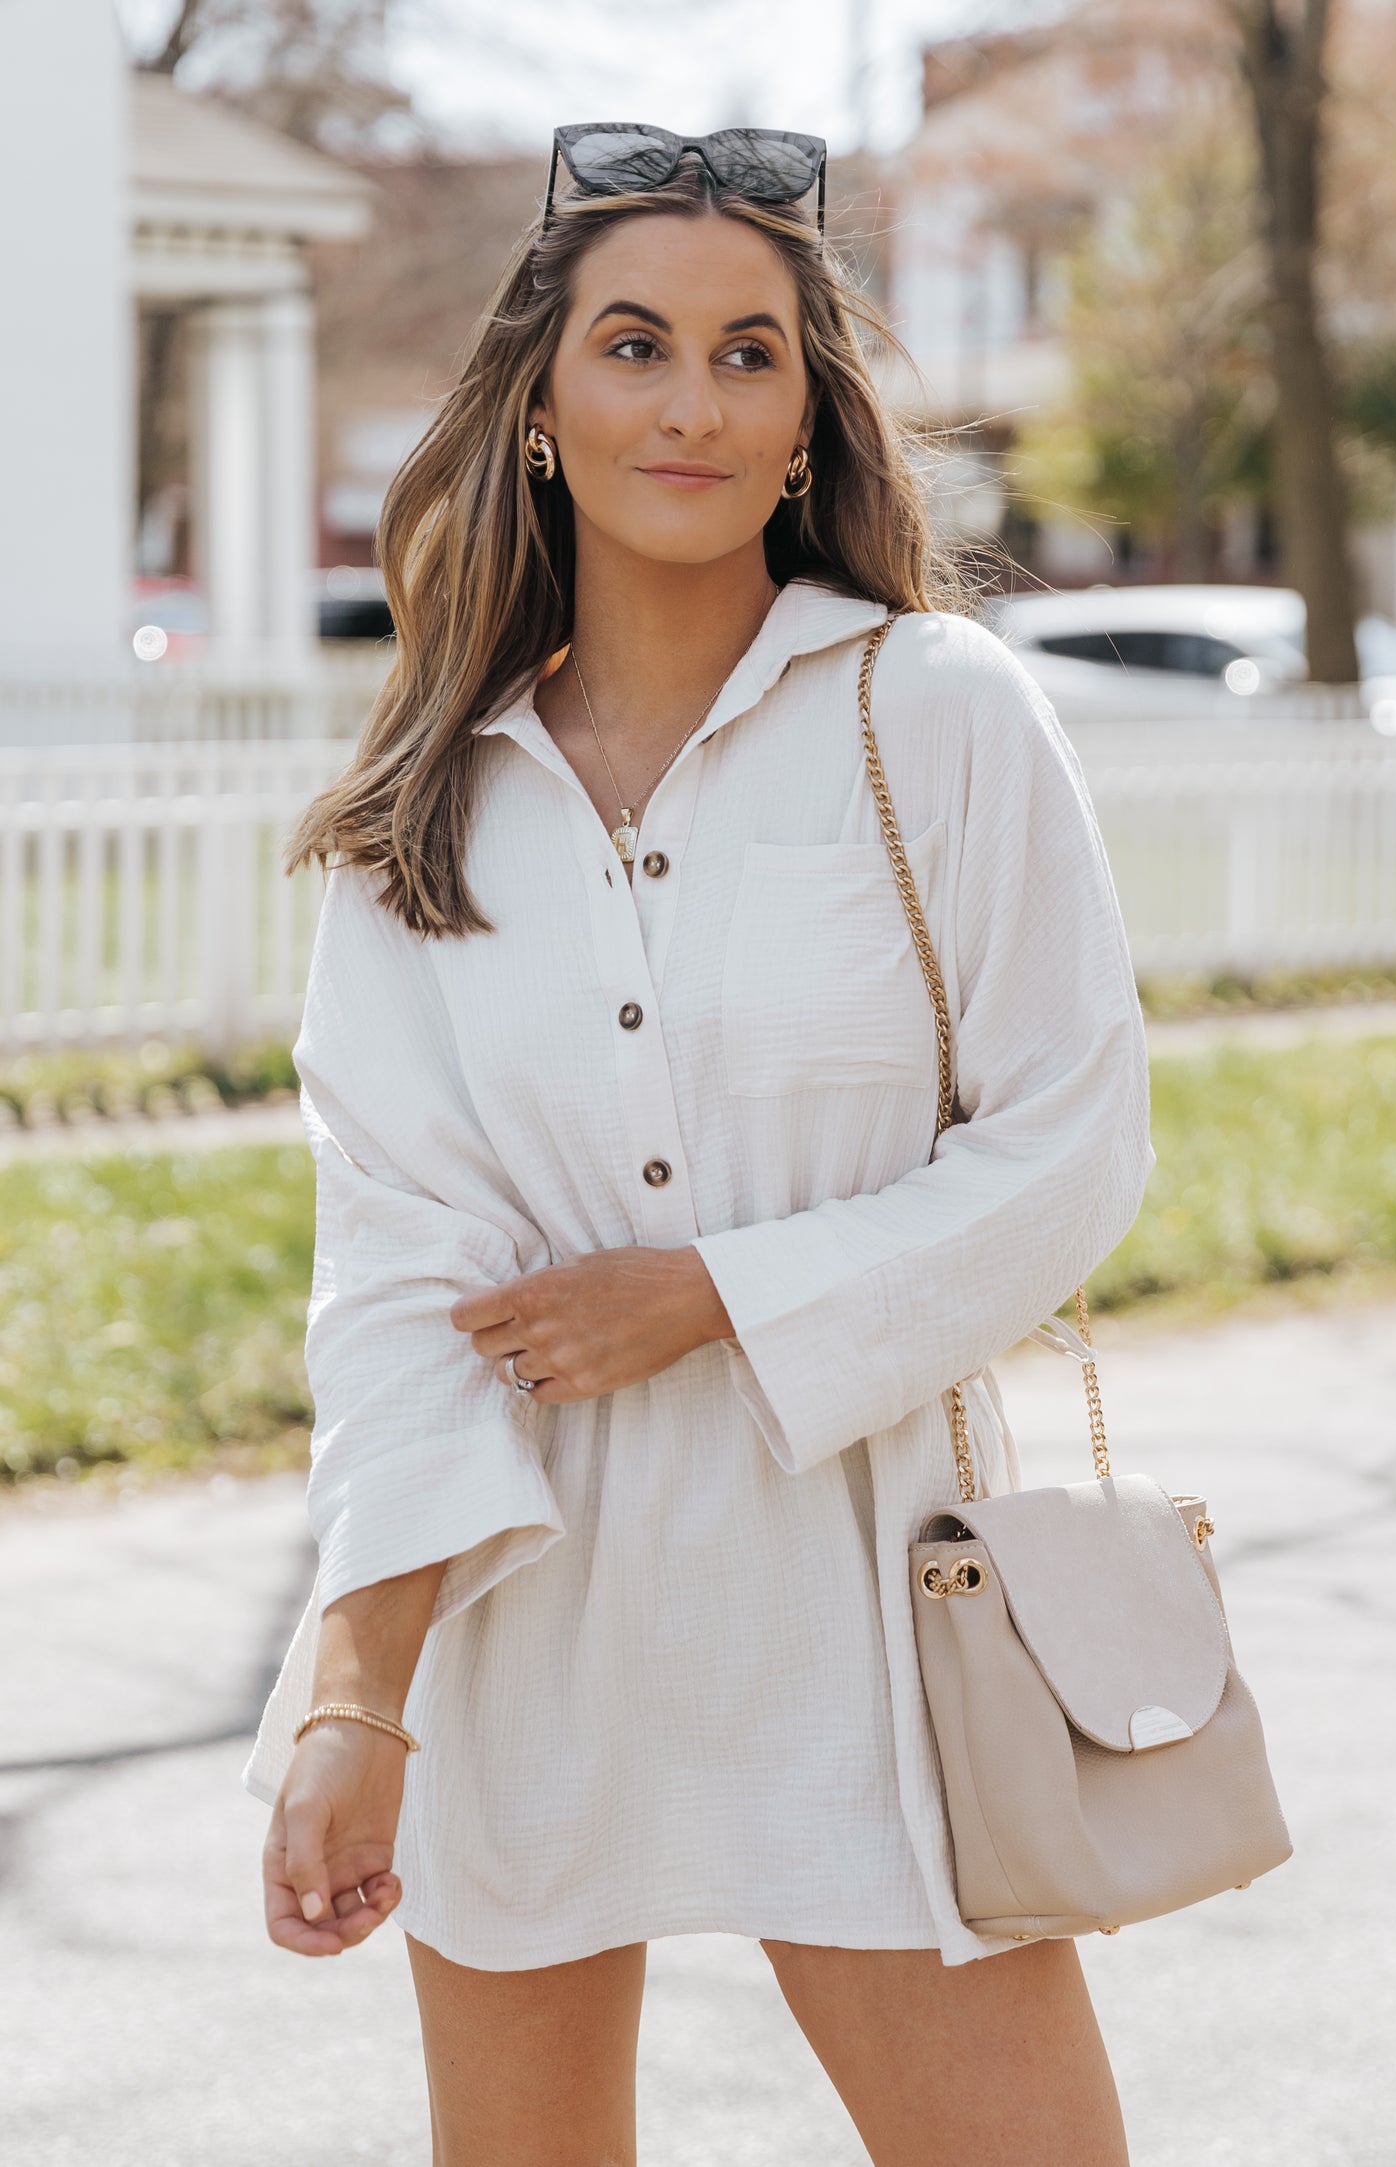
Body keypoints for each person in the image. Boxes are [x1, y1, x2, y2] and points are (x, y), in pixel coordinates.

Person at [243, 123, 1152, 2167]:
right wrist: (353, 1695)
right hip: (517, 1619)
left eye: (751, 355)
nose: (692, 399)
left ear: (809, 413)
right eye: (637, 345)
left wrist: (716, 1296)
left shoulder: (939, 716)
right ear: (546, 406)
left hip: (868, 1604)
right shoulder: (428, 815)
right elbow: (393, 1281)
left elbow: (1077, 1144)